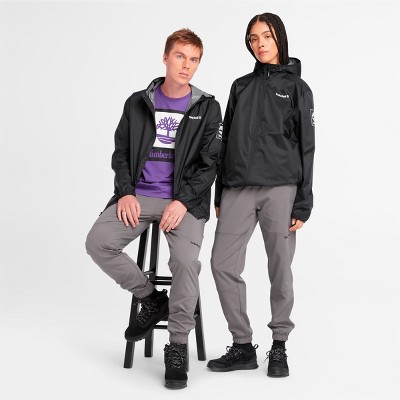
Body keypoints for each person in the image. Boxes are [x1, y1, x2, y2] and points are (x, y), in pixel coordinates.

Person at [85, 28, 222, 389]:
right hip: (139, 196)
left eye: (194, 60)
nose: (186, 65)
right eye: (180, 56)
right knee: (98, 242)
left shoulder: (207, 107)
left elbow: (210, 163)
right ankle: (151, 298)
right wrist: (126, 192)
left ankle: (176, 346)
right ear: (165, 58)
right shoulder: (137, 102)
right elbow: (121, 153)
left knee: (185, 263)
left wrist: (183, 200)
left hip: (184, 201)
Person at [207, 12, 315, 378]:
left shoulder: (298, 88)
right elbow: (225, 142)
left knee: (279, 268)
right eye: (253, 38)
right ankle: (242, 345)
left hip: (281, 189)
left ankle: (279, 345)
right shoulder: (240, 86)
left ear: (279, 38)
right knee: (222, 264)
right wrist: (220, 192)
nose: (260, 44)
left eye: (266, 36)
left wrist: (303, 201)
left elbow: (307, 147)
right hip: (238, 187)